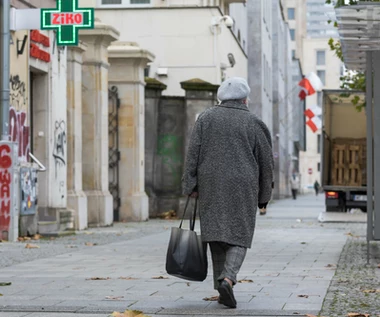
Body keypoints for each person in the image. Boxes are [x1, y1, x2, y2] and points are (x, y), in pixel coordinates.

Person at [182, 77, 274, 309]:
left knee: (216, 234)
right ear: (245, 99)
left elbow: (192, 153)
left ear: (221, 97)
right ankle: (228, 279)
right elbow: (266, 163)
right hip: (243, 186)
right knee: (239, 235)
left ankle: (221, 289)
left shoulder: (205, 119)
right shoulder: (254, 122)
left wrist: (190, 185)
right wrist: (264, 195)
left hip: (210, 183)